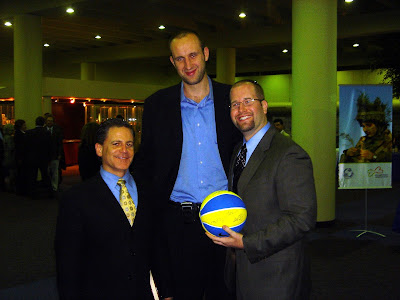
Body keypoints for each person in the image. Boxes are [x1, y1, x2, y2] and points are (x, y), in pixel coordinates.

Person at [132, 30, 241, 300]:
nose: (188, 65)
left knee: (227, 293)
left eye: (193, 55)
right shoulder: (158, 105)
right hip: (178, 223)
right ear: (172, 62)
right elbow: (147, 163)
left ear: (205, 54)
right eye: (180, 58)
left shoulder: (231, 100)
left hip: (228, 220)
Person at [206, 80, 317, 300]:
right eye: (235, 104)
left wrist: (246, 243)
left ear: (264, 106)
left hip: (276, 277)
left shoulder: (289, 154)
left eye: (248, 101)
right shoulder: (239, 150)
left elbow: (302, 218)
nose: (241, 109)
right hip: (241, 272)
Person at [55, 118, 171, 300]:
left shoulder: (149, 191)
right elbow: (68, 264)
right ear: (99, 149)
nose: (124, 151)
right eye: (116, 144)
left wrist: (166, 291)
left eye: (129, 144)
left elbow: (158, 246)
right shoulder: (77, 199)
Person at [340, 94, 392, 163]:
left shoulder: (389, 140)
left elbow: (393, 159)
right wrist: (348, 153)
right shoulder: (363, 140)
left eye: (369, 125)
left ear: (379, 125)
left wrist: (374, 157)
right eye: (363, 126)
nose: (365, 129)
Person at [24, 116, 52, 198]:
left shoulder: (29, 133)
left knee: (32, 175)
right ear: (44, 123)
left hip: (32, 157)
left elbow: (26, 146)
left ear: (35, 123)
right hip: (43, 157)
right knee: (45, 175)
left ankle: (32, 193)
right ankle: (50, 192)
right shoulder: (47, 133)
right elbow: (49, 146)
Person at [45, 114, 64, 192]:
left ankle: (54, 187)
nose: (49, 122)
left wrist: (59, 154)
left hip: (55, 154)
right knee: (47, 172)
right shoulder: (43, 130)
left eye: (51, 121)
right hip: (46, 155)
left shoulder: (57, 130)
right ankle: (48, 186)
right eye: (48, 121)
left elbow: (59, 143)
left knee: (55, 172)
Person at [2, 123, 16, 191]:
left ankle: (6, 185)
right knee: (11, 172)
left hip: (5, 156)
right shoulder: (10, 138)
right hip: (10, 157)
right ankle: (10, 186)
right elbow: (11, 147)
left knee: (6, 172)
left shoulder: (4, 137)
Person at [14, 119, 27, 195]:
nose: (25, 126)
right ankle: (21, 189)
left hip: (20, 157)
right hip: (21, 157)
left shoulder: (18, 134)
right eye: (24, 125)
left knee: (20, 173)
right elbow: (20, 147)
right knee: (21, 173)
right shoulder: (20, 135)